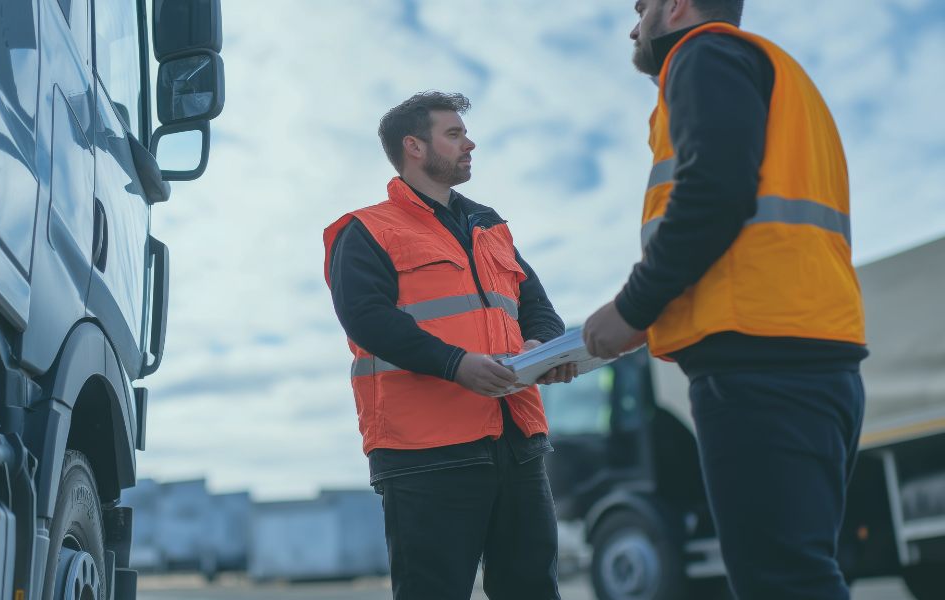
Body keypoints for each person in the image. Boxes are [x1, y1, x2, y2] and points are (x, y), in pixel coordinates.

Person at [583, 1, 868, 598]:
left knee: (782, 583)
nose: (634, 25)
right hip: (812, 353)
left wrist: (632, 309)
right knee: (801, 575)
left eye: (643, 8)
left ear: (679, 5)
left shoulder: (702, 54)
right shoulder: (776, 71)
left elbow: (712, 192)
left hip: (756, 358)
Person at [323, 91, 577, 600]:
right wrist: (455, 363)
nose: (470, 143)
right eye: (455, 134)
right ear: (414, 147)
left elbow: (540, 311)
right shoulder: (367, 230)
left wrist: (542, 350)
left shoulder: (490, 226)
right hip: (427, 450)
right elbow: (366, 319)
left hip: (518, 442)